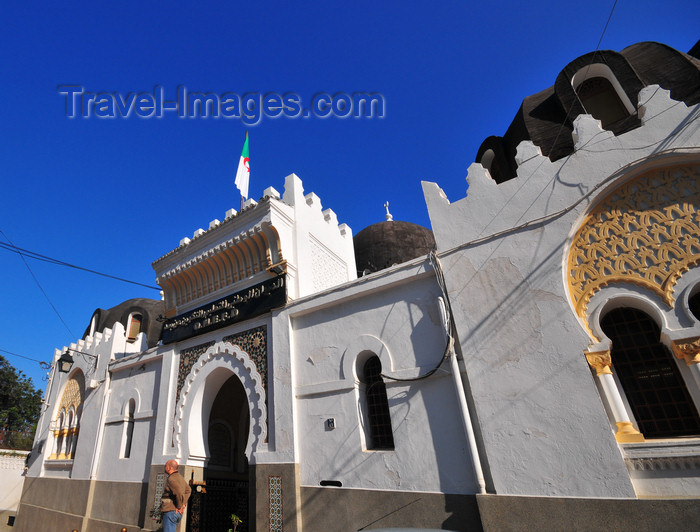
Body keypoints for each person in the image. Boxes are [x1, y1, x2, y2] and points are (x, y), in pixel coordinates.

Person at [160, 460, 191, 532]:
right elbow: (188, 490)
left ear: (169, 468)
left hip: (171, 511)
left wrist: (179, 506)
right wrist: (183, 504)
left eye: (165, 466)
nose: (164, 468)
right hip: (175, 513)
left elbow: (179, 492)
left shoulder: (172, 479)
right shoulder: (180, 477)